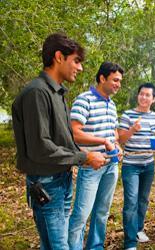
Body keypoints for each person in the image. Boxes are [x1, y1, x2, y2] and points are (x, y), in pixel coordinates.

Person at [11, 33, 106, 250]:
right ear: (58, 57)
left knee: (53, 244)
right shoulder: (37, 92)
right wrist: (84, 157)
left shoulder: (57, 92)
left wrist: (86, 152)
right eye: (76, 61)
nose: (80, 68)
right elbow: (40, 148)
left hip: (61, 179)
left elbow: (61, 141)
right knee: (59, 246)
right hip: (47, 184)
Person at [68, 62, 124, 249]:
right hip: (91, 166)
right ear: (102, 78)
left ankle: (95, 246)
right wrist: (103, 141)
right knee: (82, 214)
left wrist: (116, 144)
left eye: (120, 81)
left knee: (102, 212)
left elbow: (113, 132)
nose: (118, 84)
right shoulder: (84, 100)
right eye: (115, 80)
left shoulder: (112, 104)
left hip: (111, 165)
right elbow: (74, 132)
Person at [118, 83, 155, 250]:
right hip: (131, 165)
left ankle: (139, 228)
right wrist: (132, 130)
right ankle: (130, 242)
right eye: (141, 94)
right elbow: (121, 139)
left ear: (153, 99)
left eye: (147, 95)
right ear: (138, 96)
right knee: (131, 202)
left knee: (143, 200)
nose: (144, 97)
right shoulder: (128, 115)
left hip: (148, 165)